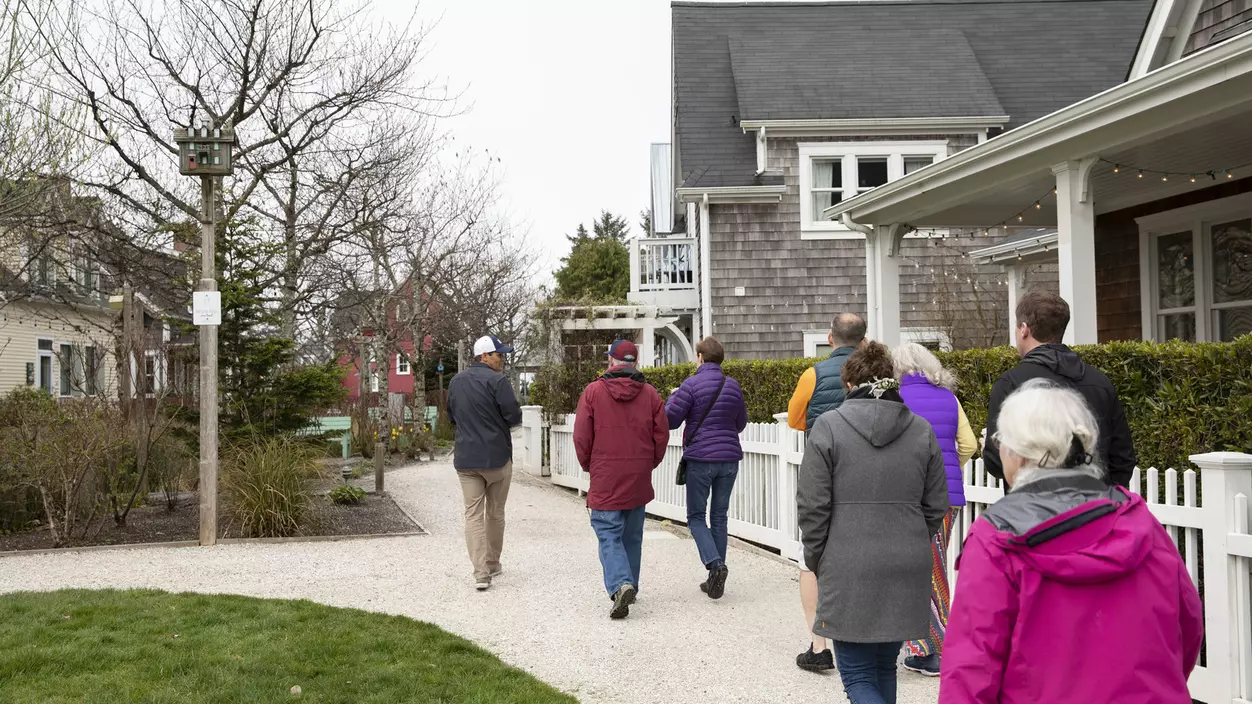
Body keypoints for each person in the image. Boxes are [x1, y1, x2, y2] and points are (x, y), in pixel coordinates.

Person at [940, 380, 1202, 703]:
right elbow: (1187, 626)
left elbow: (969, 670)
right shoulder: (1140, 520)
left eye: (1000, 443)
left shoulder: (996, 539)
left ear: (1020, 455)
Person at [797, 342, 949, 704]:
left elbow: (812, 507)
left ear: (849, 384)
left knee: (858, 673)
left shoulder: (828, 428)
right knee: (883, 667)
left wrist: (818, 557)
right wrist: (910, 536)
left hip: (846, 560)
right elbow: (936, 504)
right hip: (906, 560)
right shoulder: (921, 430)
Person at [983, 290, 1136, 488]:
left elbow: (995, 461)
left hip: (1033, 511)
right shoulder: (1100, 382)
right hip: (1094, 509)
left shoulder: (1010, 384)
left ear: (1023, 329)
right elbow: (1122, 459)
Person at [892, 342, 980, 678]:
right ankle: (922, 642)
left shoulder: (896, 399)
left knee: (915, 568)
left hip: (908, 495)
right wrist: (950, 469)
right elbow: (970, 444)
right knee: (935, 563)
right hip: (947, 498)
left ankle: (930, 649)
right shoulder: (949, 399)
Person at [787, 312, 867, 672]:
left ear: (830, 338)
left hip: (822, 471)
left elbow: (793, 418)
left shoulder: (813, 374)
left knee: (813, 553)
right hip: (865, 470)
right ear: (863, 341)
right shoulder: (873, 374)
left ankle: (819, 644)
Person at [573, 340, 669, 620]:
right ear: (635, 363)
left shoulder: (593, 392)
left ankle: (620, 584)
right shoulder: (650, 394)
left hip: (605, 473)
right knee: (632, 534)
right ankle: (631, 585)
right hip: (638, 474)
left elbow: (581, 437)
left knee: (607, 532)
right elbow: (661, 435)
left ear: (611, 361)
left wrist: (589, 465)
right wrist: (649, 463)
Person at [664, 336, 748, 599]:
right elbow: (741, 423)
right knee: (720, 517)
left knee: (696, 517)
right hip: (729, 459)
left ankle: (715, 565)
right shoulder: (733, 386)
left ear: (700, 357)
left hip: (701, 459)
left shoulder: (689, 386)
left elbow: (670, 421)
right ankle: (716, 578)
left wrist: (672, 398)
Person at [446, 334, 523, 591]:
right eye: (498, 354)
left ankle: (480, 573)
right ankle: (492, 563)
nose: (502, 358)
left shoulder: (456, 382)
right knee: (495, 512)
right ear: (484, 356)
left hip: (467, 459)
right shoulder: (498, 381)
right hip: (497, 458)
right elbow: (513, 415)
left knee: (473, 515)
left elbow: (452, 416)